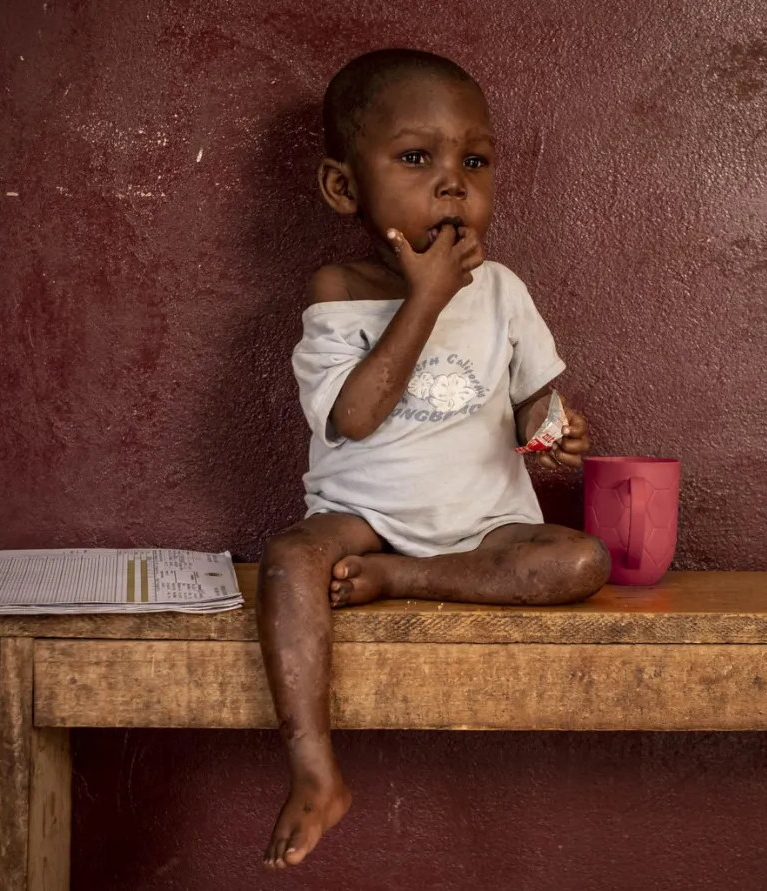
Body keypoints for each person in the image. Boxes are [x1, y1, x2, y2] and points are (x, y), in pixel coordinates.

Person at [256, 48, 610, 869]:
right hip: (363, 522)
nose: (453, 183)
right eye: (417, 159)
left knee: (580, 559)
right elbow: (354, 415)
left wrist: (553, 425)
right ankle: (315, 771)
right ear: (345, 187)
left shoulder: (505, 291)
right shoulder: (338, 290)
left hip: (487, 528)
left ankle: (404, 579)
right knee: (289, 559)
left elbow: (530, 399)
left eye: (474, 161)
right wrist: (426, 297)